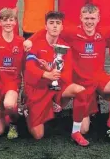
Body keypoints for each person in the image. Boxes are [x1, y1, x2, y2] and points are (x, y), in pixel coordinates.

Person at [24, 5, 110, 146]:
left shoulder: (103, 32)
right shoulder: (71, 32)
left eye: (92, 18)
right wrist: (31, 39)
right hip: (81, 82)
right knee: (84, 129)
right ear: (81, 18)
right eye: (86, 18)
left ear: (98, 19)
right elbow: (51, 28)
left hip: (99, 78)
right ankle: (78, 115)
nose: (89, 21)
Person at [24, 11, 86, 141]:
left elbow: (67, 76)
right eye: (51, 23)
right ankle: (28, 110)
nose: (55, 26)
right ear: (45, 26)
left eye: (58, 23)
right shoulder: (35, 43)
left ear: (62, 27)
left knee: (79, 91)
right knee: (38, 135)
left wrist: (52, 72)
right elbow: (29, 68)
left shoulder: (65, 47)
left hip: (55, 87)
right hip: (37, 89)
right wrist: (46, 74)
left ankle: (75, 131)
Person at [0, 8, 25, 139]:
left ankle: (14, 122)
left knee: (9, 104)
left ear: (15, 22)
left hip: (12, 83)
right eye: (5, 20)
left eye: (11, 19)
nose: (8, 23)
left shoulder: (21, 42)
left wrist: (25, 89)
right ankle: (7, 112)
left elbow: (25, 68)